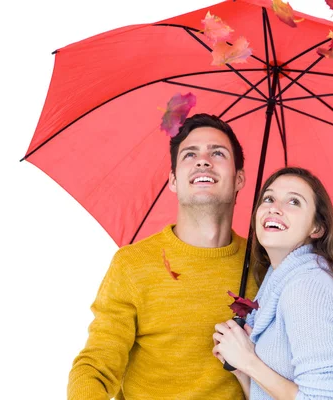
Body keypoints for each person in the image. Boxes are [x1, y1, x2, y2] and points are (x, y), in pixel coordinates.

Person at [67, 113, 259, 400]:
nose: (203, 160)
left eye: (217, 153)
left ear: (239, 178)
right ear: (173, 180)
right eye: (190, 154)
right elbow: (95, 367)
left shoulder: (265, 267)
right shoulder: (132, 264)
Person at [213, 167, 333, 400]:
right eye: (268, 198)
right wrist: (241, 369)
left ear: (317, 228)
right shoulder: (279, 281)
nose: (274, 208)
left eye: (294, 202)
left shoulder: (307, 286)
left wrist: (249, 362)